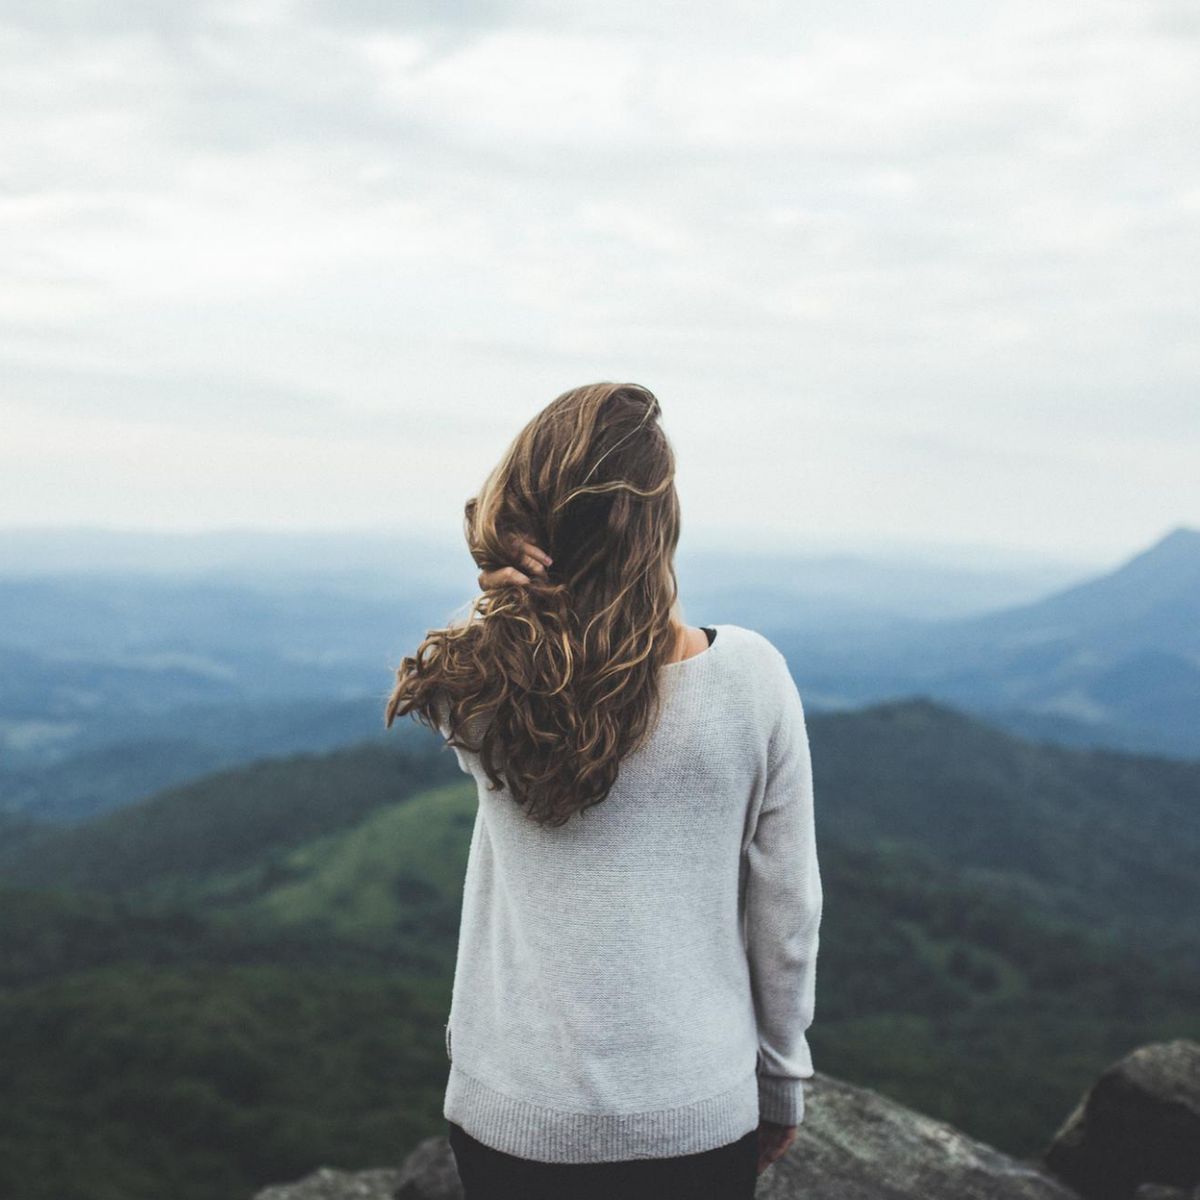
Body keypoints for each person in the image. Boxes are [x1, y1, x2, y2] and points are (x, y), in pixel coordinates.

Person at [385, 382, 823, 1199]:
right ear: (661, 524)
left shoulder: (480, 687)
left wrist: (490, 554)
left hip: (512, 1116)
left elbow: (498, 638)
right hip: (694, 1118)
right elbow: (786, 912)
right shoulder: (752, 681)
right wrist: (782, 1079)